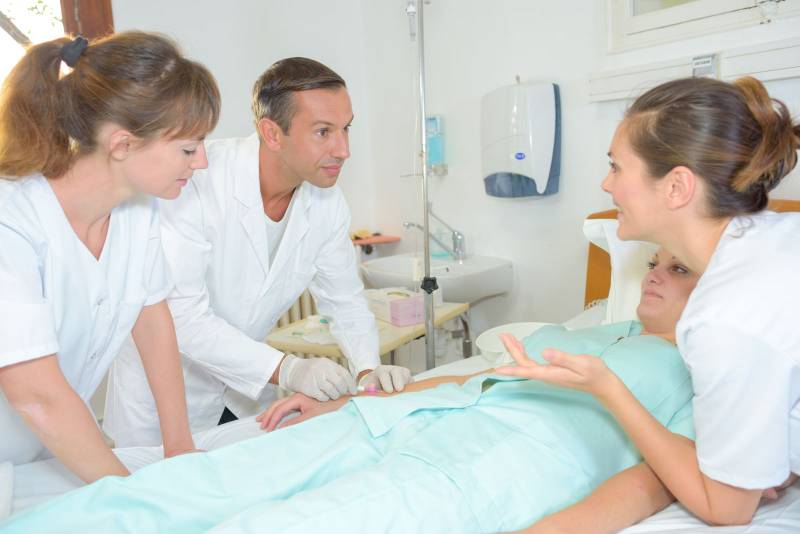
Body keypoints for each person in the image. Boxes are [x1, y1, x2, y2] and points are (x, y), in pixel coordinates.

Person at [0, 248, 699, 533]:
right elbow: (467, 377)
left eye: (679, 270)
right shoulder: (590, 333)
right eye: (655, 263)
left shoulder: (695, 373)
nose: (654, 275)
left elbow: (655, 482)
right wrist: (339, 402)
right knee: (189, 484)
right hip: (396, 420)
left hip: (475, 465)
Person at [498, 76, 800, 529]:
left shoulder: (724, 319)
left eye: (617, 167)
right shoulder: (775, 240)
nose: (606, 183)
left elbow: (726, 508)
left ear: (677, 187)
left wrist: (608, 388)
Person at [104, 57, 412, 448]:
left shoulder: (327, 201)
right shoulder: (194, 180)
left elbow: (345, 300)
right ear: (271, 133)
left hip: (245, 398)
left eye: (345, 128)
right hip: (163, 402)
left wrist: (368, 369)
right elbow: (181, 316)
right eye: (323, 132)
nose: (343, 150)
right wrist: (288, 369)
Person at [0, 32, 221, 483]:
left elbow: (153, 321)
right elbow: (34, 393)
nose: (200, 163)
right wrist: (127, 495)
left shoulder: (137, 209)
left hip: (44, 453)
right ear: (122, 145)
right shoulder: (13, 218)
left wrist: (179, 446)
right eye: (187, 148)